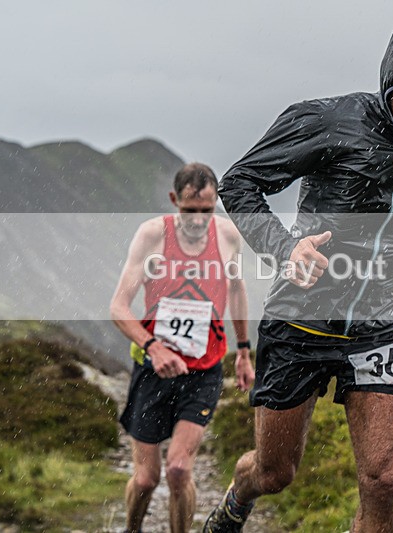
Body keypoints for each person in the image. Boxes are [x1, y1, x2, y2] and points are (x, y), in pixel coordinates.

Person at [203, 19, 393, 533]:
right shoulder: (327, 121)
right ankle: (238, 497)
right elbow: (239, 182)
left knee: (385, 479)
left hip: (380, 325)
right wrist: (285, 249)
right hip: (300, 319)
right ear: (391, 80)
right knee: (275, 472)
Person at [110, 162, 255, 533]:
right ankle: (132, 529)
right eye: (189, 211)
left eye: (206, 211)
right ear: (175, 200)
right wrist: (153, 347)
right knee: (145, 479)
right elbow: (118, 308)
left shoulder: (227, 237)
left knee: (178, 471)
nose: (197, 220)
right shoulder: (152, 236)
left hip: (204, 368)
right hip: (152, 368)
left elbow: (237, 290)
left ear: (215, 203)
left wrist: (243, 350)